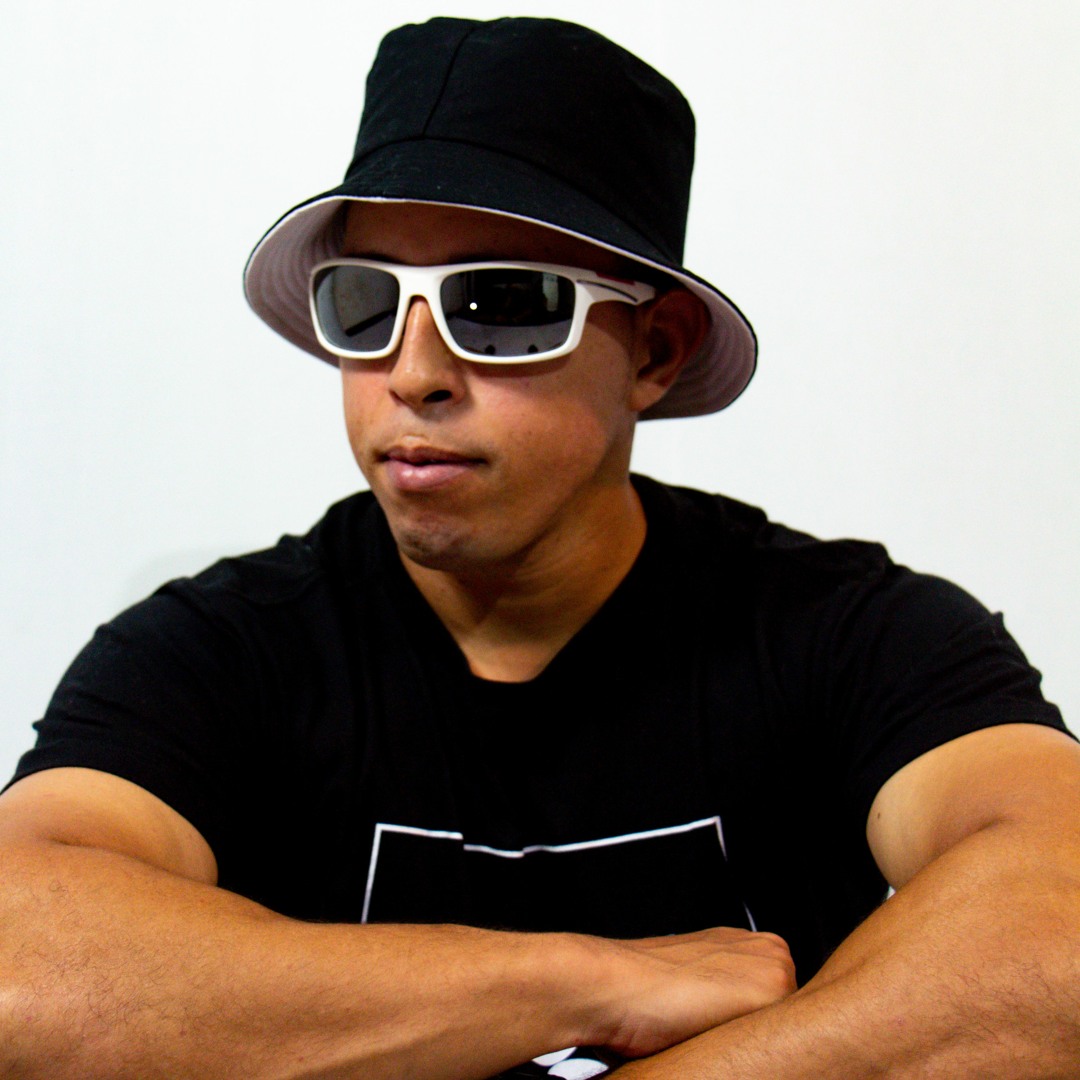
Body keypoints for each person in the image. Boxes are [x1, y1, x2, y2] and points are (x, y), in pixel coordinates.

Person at [1, 16, 1077, 1080]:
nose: (413, 373)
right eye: (367, 302)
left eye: (503, 304)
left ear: (655, 350)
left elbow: (1057, 946)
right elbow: (21, 965)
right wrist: (584, 982)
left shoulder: (849, 634)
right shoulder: (219, 652)